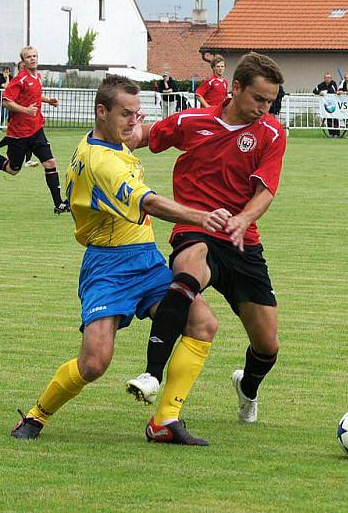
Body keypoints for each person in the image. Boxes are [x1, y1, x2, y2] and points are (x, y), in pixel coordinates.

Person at [10, 74, 232, 445]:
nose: (133, 122)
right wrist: (202, 217)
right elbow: (151, 203)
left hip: (145, 259)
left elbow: (128, 144)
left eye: (137, 114)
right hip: (108, 265)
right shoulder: (102, 162)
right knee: (94, 363)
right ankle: (36, 415)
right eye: (126, 114)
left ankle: (165, 419)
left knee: (203, 323)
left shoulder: (107, 139)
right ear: (102, 112)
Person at [124, 52, 286, 425]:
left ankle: (248, 388)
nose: (263, 108)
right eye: (258, 99)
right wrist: (117, 140)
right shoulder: (192, 121)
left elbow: (265, 192)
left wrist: (244, 219)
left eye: (270, 102)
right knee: (188, 271)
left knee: (267, 345)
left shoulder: (272, 133)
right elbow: (145, 136)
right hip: (197, 227)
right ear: (236, 88)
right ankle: (151, 374)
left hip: (243, 241)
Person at [0, 46, 69, 214]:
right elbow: (6, 101)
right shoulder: (19, 79)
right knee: (13, 170)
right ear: (23, 61)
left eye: (35, 56)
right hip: (19, 133)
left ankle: (59, 204)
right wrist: (26, 110)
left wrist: (49, 101)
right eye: (29, 57)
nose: (33, 59)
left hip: (36, 130)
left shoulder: (37, 77)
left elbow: (35, 94)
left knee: (50, 163)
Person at [313, 72, 339, 137]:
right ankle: (330, 133)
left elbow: (334, 90)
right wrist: (320, 92)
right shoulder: (322, 84)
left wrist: (326, 91)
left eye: (329, 78)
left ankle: (336, 133)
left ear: (331, 78)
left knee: (335, 118)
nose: (327, 79)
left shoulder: (333, 83)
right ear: (324, 78)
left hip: (334, 103)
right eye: (326, 78)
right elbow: (315, 90)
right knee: (328, 118)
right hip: (326, 104)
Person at [0, 66, 11, 131]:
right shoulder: (0, 78)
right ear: (2, 72)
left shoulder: (11, 78)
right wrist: (7, 79)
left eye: (7, 72)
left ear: (9, 72)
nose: (6, 73)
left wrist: (8, 78)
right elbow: (6, 86)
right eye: (5, 72)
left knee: (5, 114)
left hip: (6, 99)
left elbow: (10, 86)